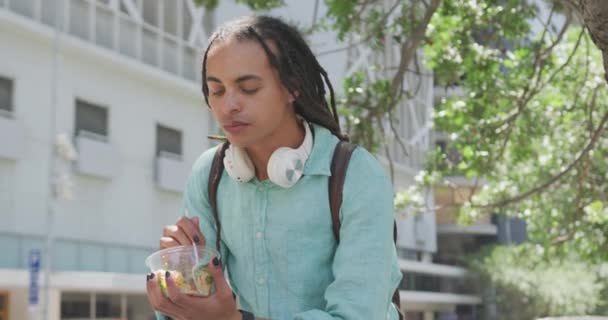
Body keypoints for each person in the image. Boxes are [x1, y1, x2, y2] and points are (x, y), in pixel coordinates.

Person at [145, 15, 403, 320]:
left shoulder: (358, 176)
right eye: (217, 91)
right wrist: (180, 279)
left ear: (292, 87)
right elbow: (199, 308)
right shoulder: (209, 174)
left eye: (249, 88)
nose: (229, 106)